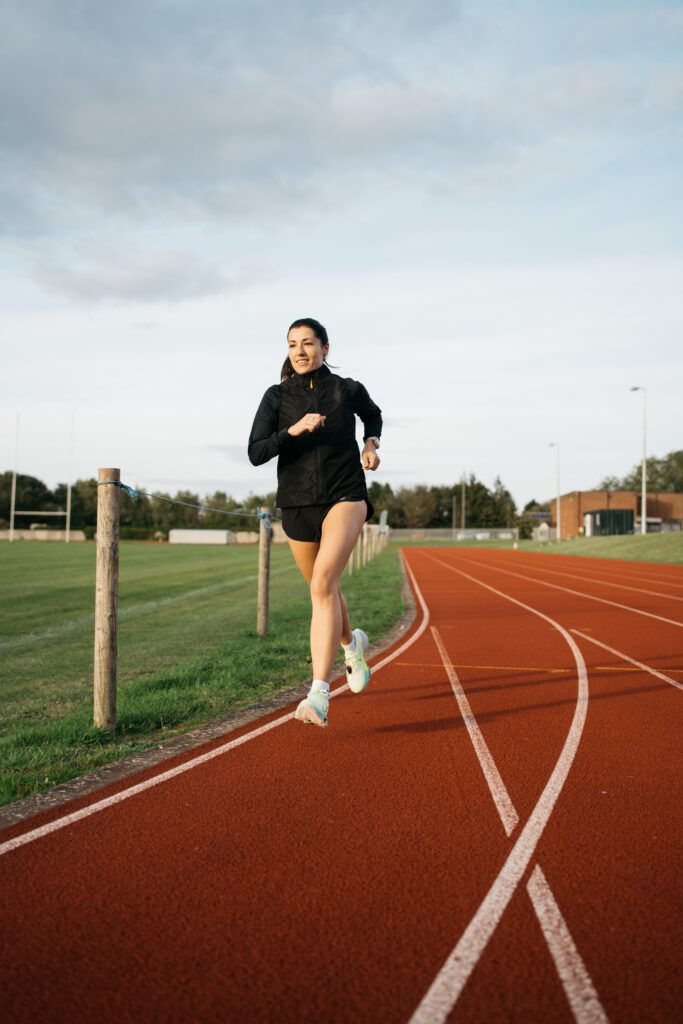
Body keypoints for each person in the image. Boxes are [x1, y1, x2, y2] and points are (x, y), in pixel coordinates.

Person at [248, 317, 382, 728]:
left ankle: (319, 693)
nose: (300, 351)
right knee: (323, 589)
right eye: (292, 345)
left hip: (345, 494)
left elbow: (373, 415)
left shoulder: (347, 389)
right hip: (297, 503)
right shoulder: (276, 396)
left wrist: (370, 444)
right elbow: (256, 452)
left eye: (308, 343)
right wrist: (293, 430)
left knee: (324, 584)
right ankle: (351, 642)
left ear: (326, 347)